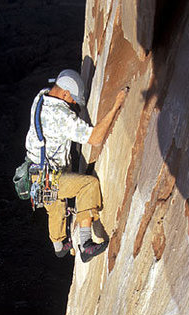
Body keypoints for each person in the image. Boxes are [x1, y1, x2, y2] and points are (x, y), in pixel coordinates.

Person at [25, 69, 127, 262]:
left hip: (35, 171)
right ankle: (86, 243)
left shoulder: (40, 97)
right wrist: (116, 106)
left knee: (55, 205)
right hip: (51, 176)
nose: (73, 105)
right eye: (72, 100)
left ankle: (58, 246)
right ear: (64, 93)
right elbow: (95, 138)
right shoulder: (61, 116)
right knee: (88, 185)